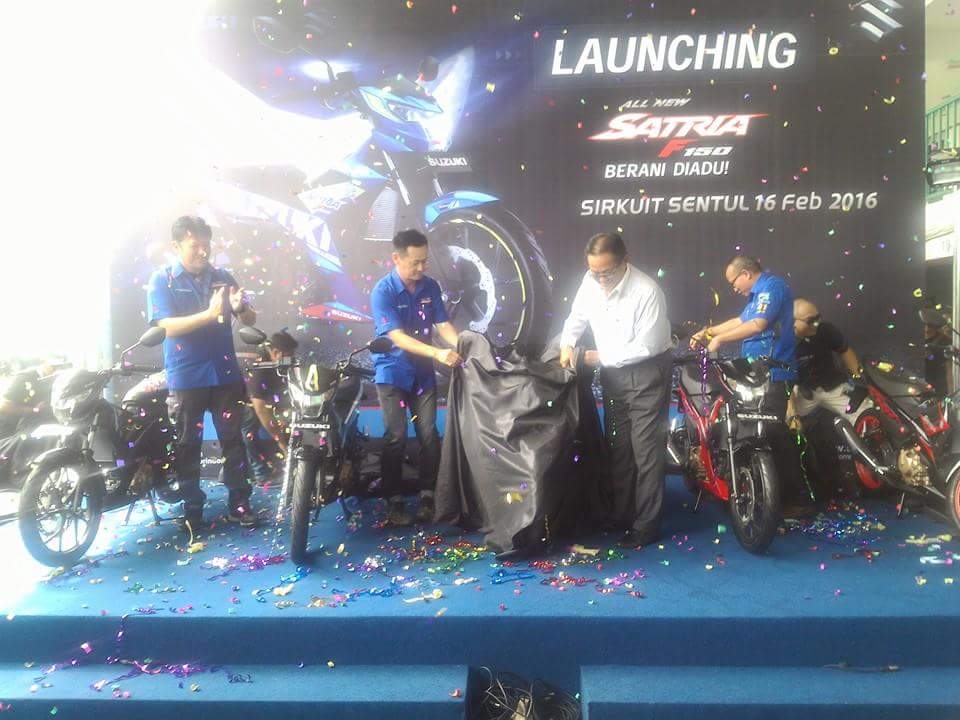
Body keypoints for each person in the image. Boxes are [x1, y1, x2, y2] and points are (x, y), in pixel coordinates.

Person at [559, 232, 673, 548]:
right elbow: (576, 317)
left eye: (606, 273)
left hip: (647, 372)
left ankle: (646, 525)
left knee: (645, 450)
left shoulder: (647, 291)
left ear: (625, 261)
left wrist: (595, 357)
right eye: (594, 272)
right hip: (613, 377)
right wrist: (567, 342)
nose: (600, 279)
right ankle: (621, 515)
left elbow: (646, 347)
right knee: (619, 447)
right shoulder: (590, 281)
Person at [146, 215, 258, 531]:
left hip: (225, 373)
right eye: (194, 245)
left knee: (233, 441)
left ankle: (240, 503)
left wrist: (241, 309)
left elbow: (250, 319)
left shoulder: (222, 276)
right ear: (176, 246)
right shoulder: (162, 280)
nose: (202, 251)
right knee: (187, 444)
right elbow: (166, 326)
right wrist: (209, 314)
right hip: (186, 376)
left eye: (206, 245)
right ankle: (192, 508)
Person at [690, 256, 808, 511]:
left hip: (773, 372)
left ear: (745, 273)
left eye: (734, 282)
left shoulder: (771, 287)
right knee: (755, 431)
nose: (734, 288)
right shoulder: (757, 296)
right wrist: (708, 332)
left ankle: (793, 500)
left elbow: (757, 324)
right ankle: (759, 492)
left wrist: (719, 341)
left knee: (774, 433)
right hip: (755, 373)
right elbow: (741, 321)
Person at [370, 229, 461, 526]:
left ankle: (428, 496)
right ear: (396, 258)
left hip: (422, 374)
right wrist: (437, 353)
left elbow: (443, 325)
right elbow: (396, 337)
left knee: (429, 435)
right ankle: (394, 500)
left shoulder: (430, 286)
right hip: (392, 372)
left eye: (425, 261)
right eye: (415, 263)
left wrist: (463, 346)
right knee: (396, 436)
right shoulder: (382, 292)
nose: (422, 268)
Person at [788, 298, 862, 425]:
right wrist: (792, 414)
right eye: (811, 321)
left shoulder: (825, 330)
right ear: (794, 322)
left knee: (865, 413)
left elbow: (844, 350)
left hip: (833, 386)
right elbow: (782, 380)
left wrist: (859, 378)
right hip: (801, 392)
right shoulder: (782, 342)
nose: (816, 324)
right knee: (784, 423)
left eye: (818, 318)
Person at [242, 330, 298, 483]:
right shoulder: (259, 368)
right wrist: (281, 442)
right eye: (287, 357)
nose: (290, 361)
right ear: (275, 352)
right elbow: (260, 408)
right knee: (249, 428)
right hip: (240, 398)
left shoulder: (277, 362)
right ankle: (260, 472)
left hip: (263, 396)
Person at [0, 359, 63, 488]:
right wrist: (33, 410)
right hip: (24, 428)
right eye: (54, 366)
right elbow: (4, 405)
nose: (56, 369)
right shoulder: (25, 378)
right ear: (44, 361)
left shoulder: (59, 379)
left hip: (48, 424)